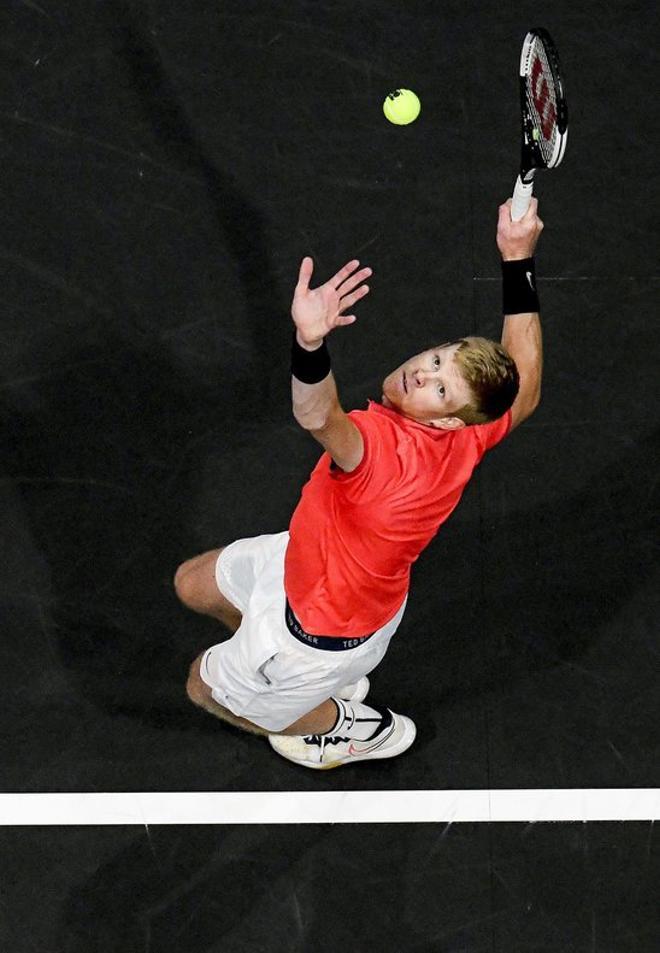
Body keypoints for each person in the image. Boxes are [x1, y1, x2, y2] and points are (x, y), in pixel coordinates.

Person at [176, 197, 544, 769]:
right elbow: (525, 388)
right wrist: (517, 258)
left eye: (440, 389)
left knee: (203, 686)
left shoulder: (383, 452)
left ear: (445, 417)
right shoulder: (469, 432)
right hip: (313, 567)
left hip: (313, 635)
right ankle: (287, 686)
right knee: (193, 584)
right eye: (441, 360)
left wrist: (309, 343)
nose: (426, 371)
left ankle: (346, 725)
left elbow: (318, 417)